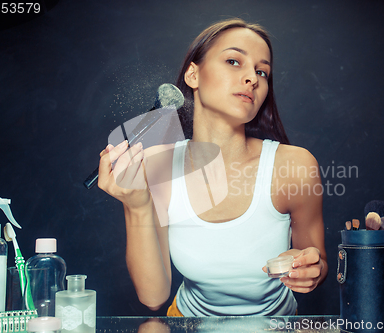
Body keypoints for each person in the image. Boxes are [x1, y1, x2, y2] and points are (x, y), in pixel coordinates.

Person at [98, 18, 327, 316]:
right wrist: (137, 206)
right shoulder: (159, 167)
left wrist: (314, 268)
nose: (252, 79)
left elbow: (318, 264)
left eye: (262, 71)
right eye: (234, 61)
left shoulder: (295, 166)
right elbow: (153, 297)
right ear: (193, 74)